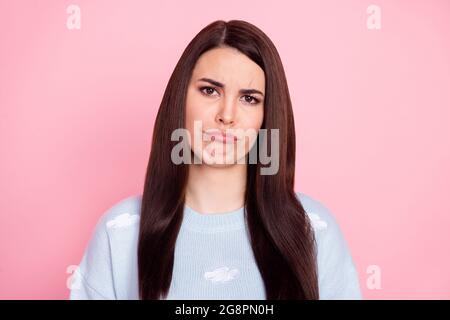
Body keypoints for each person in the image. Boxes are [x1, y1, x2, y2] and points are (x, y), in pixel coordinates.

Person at [69, 19, 362, 300]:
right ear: (180, 100)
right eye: (210, 90)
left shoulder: (313, 230)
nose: (227, 115)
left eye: (249, 98)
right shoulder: (119, 232)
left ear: (267, 117)